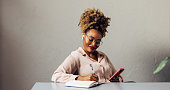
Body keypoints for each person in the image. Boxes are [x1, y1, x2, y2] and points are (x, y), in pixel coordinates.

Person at [51, 8, 123, 83]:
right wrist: (81, 78)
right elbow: (56, 76)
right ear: (84, 36)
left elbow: (119, 78)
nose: (93, 44)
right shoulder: (76, 56)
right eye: (91, 39)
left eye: (98, 42)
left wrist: (117, 79)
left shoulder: (103, 56)